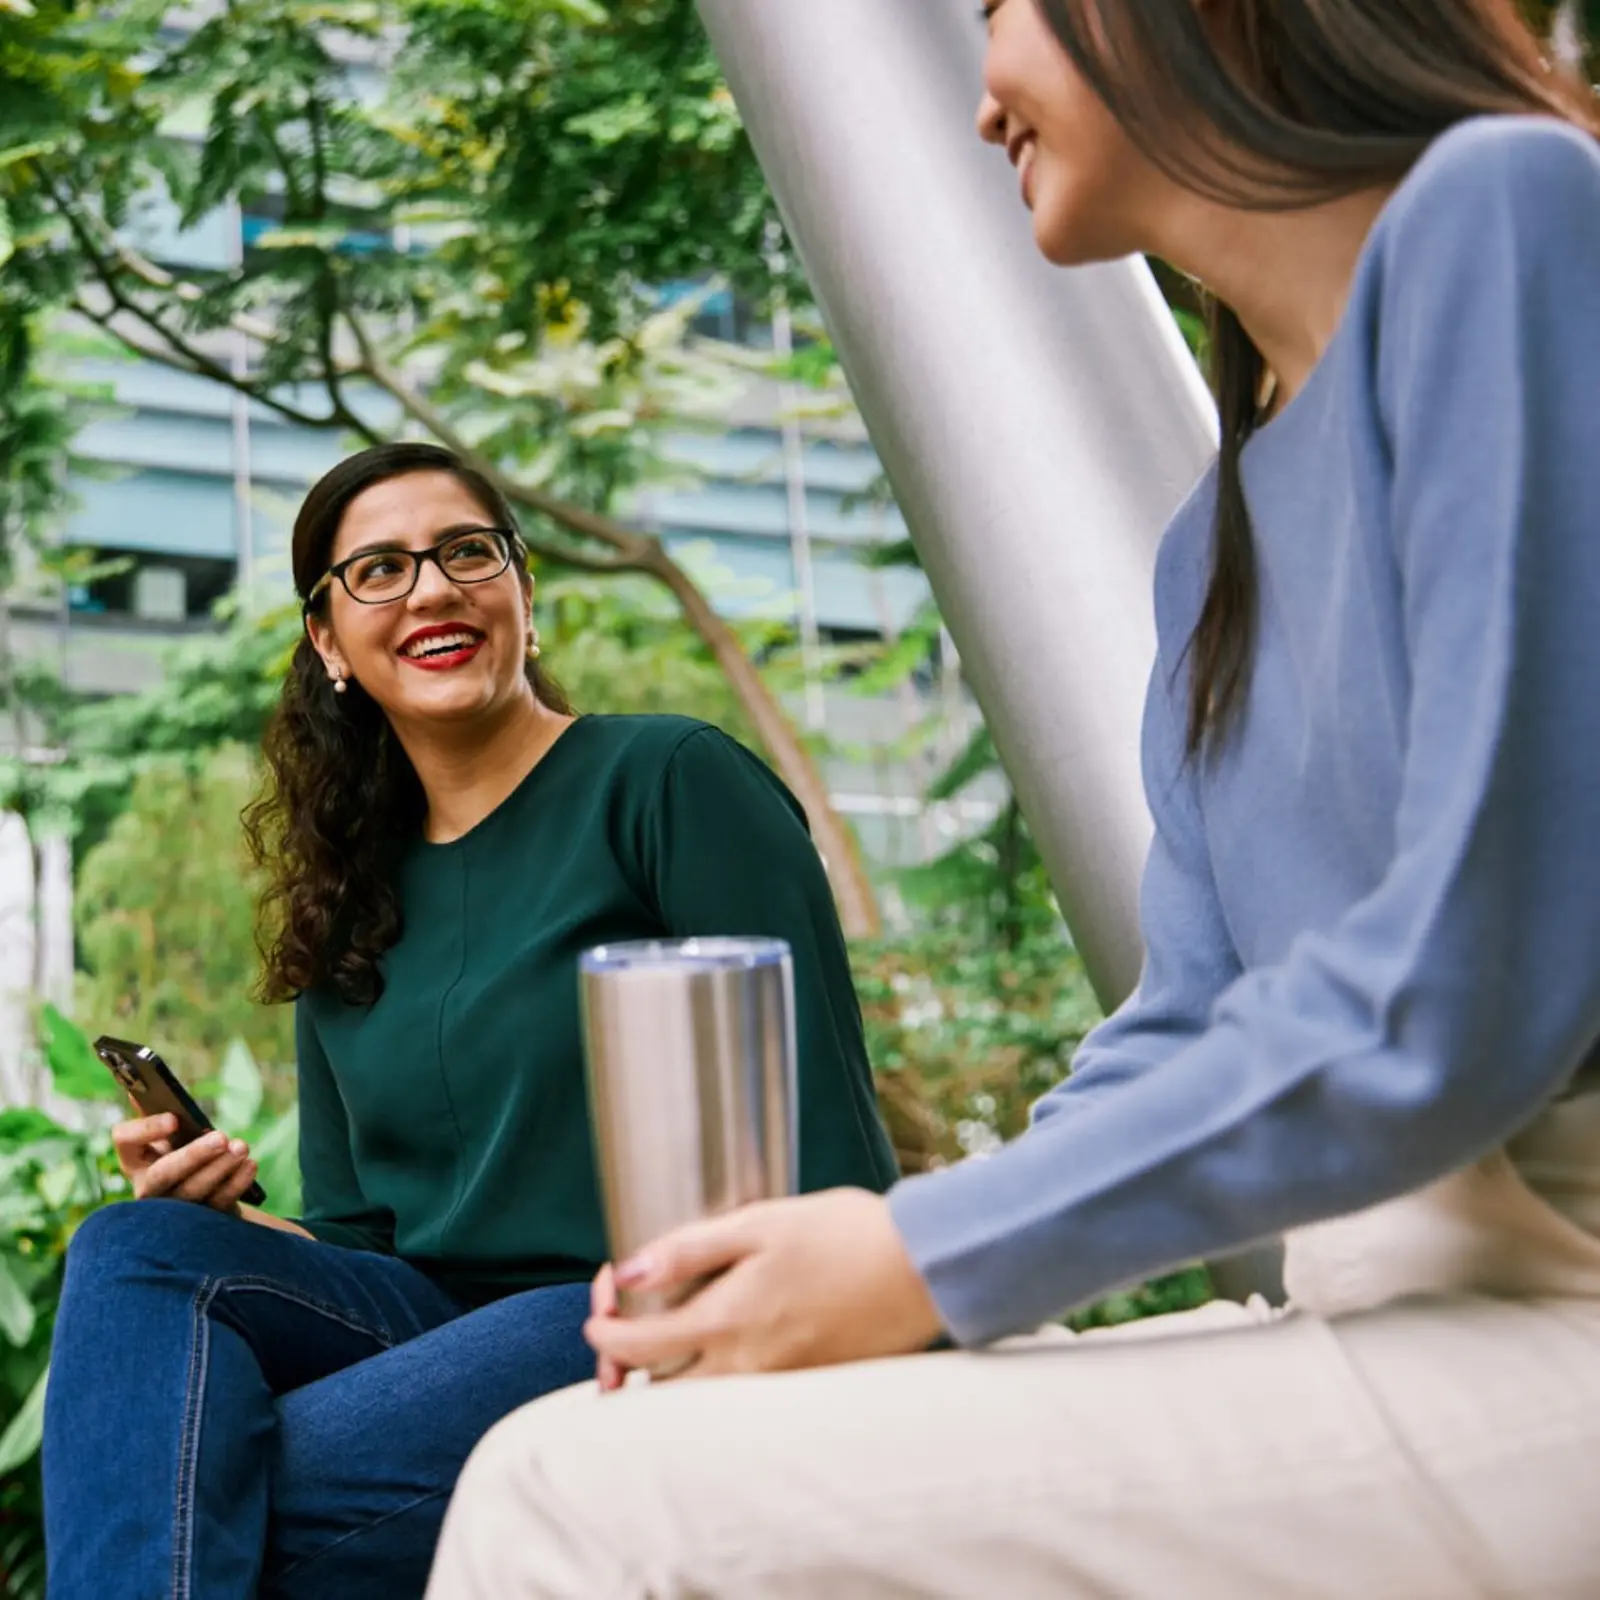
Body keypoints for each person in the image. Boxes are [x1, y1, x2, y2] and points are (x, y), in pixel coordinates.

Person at [424, 2, 1600, 1595]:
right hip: (1381, 1307)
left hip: (1558, 1316)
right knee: (608, 1453)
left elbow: (1465, 989)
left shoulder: (1512, 214)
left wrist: (917, 1259)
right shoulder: (1213, 546)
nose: (980, 104)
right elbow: (1182, 1024)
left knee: (571, 1504)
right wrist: (844, 1277)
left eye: (999, 16)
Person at [41, 441, 899, 1600]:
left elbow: (829, 1137)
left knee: (184, 1482)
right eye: (379, 571)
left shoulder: (666, 781)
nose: (433, 589)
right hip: (430, 1328)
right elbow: (360, 1245)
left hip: (625, 1309)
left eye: (463, 552)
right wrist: (234, 1215)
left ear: (523, 594)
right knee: (133, 1247)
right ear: (328, 643)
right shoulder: (349, 895)